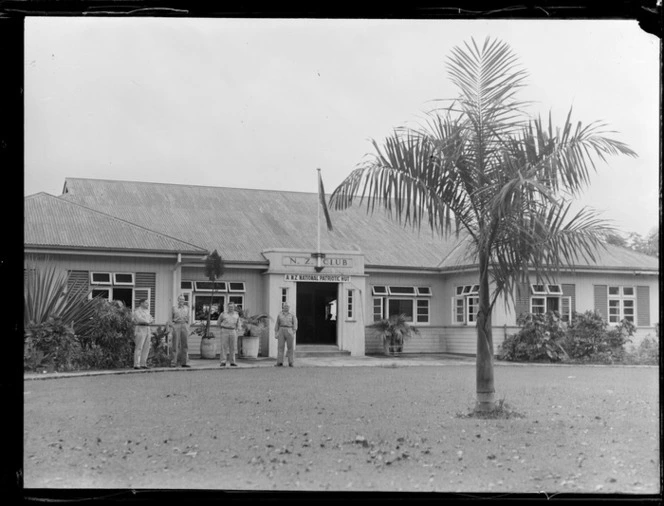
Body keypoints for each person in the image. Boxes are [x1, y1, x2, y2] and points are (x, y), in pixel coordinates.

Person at [168, 294, 191, 368]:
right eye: (180, 299)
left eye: (183, 299)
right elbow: (170, 319)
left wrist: (188, 326)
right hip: (176, 325)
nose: (182, 301)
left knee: (185, 344)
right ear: (178, 300)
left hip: (184, 325)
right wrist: (172, 327)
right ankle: (173, 362)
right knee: (175, 344)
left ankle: (184, 362)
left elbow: (188, 318)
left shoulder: (187, 308)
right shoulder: (174, 308)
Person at [132, 298, 154, 370]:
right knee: (139, 347)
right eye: (146, 303)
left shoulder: (147, 311)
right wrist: (148, 321)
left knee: (146, 347)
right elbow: (139, 319)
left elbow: (151, 319)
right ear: (141, 303)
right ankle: (137, 364)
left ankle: (143, 363)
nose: (148, 304)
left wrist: (149, 321)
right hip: (140, 328)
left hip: (147, 329)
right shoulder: (137, 311)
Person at [274, 302, 298, 367]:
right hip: (281, 329)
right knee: (280, 347)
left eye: (287, 306)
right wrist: (276, 332)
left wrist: (293, 331)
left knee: (290, 347)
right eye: (285, 306)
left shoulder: (292, 314)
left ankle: (291, 362)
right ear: (283, 307)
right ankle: (279, 362)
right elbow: (277, 324)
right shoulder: (279, 314)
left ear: (289, 308)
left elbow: (295, 323)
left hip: (289, 329)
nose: (286, 308)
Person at [217, 302, 240, 367]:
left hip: (233, 331)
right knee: (224, 347)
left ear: (234, 307)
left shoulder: (236, 314)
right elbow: (218, 322)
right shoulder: (223, 314)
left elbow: (238, 323)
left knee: (232, 347)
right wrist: (221, 329)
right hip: (225, 330)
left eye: (232, 307)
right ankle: (223, 361)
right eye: (229, 307)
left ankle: (232, 362)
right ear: (227, 307)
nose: (231, 308)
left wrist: (237, 330)